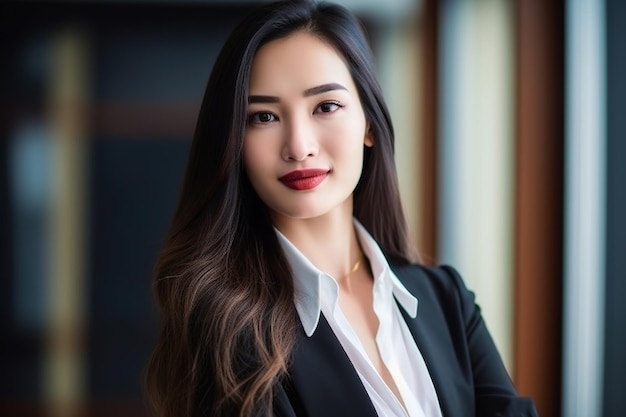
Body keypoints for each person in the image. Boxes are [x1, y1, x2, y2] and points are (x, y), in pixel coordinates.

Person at [144, 1, 539, 416]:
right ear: (234, 143)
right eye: (263, 117)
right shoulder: (226, 330)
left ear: (369, 122)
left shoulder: (447, 300)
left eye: (325, 106)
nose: (299, 146)